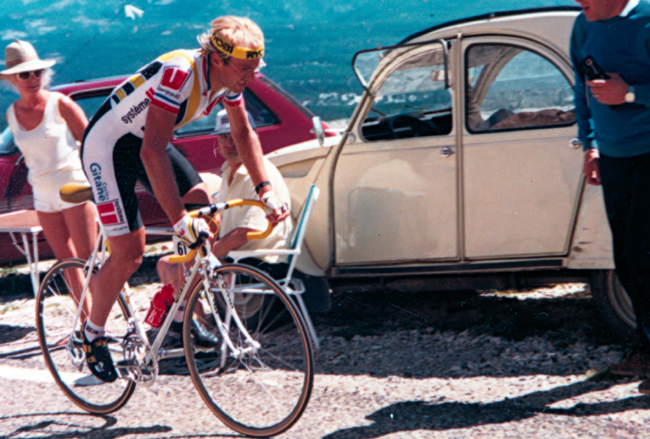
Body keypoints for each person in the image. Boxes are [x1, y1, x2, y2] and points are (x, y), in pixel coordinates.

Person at [80, 16, 289, 382]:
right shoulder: (180, 73)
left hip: (145, 142)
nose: (251, 76)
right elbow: (152, 152)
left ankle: (177, 313)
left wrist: (265, 190)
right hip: (108, 148)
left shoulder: (228, 79)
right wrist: (178, 221)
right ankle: (91, 334)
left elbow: (243, 133)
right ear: (219, 59)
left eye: (256, 68)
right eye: (245, 68)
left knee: (200, 204)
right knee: (130, 252)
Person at [155, 109, 292, 340]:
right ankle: (201, 324)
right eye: (222, 137)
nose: (228, 143)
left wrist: (208, 253)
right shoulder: (231, 169)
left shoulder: (259, 175)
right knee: (165, 263)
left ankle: (191, 328)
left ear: (251, 137)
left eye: (234, 135)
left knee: (186, 266)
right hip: (239, 256)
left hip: (260, 262)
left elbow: (244, 233)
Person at [571, 0, 650, 393]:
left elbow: (622, 93)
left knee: (646, 255)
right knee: (628, 260)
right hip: (614, 157)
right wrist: (591, 144)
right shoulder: (583, 25)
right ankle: (646, 351)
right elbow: (581, 89)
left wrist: (631, 94)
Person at [1, 40, 97, 308]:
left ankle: (118, 321)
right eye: (25, 74)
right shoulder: (11, 115)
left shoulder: (60, 104)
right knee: (66, 264)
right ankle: (87, 325)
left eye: (37, 72)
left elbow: (91, 143)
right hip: (43, 197)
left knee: (90, 261)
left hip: (74, 188)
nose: (33, 78)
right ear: (12, 79)